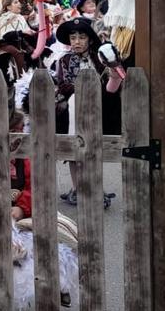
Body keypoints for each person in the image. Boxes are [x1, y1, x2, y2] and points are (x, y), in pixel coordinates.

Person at [46, 17, 123, 207]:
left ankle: (95, 187)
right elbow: (63, 85)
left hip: (99, 109)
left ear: (89, 39)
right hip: (72, 111)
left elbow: (112, 87)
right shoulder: (63, 60)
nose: (77, 42)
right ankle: (77, 187)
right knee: (74, 148)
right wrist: (82, 90)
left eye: (81, 37)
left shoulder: (99, 58)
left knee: (94, 149)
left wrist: (114, 68)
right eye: (73, 38)